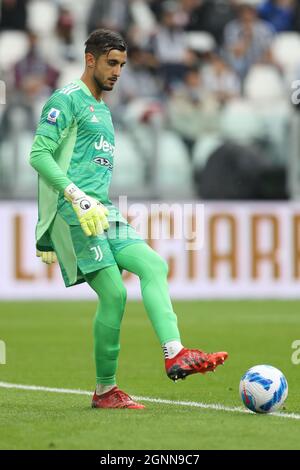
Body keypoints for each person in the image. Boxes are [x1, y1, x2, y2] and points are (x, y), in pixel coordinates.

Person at [29, 29, 228, 410]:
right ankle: (106, 391)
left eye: (122, 64)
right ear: (90, 59)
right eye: (111, 63)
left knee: (153, 264)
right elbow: (39, 155)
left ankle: (175, 353)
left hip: (102, 209)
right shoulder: (65, 100)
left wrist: (91, 202)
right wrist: (64, 210)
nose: (118, 71)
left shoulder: (103, 109)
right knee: (115, 293)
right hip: (75, 210)